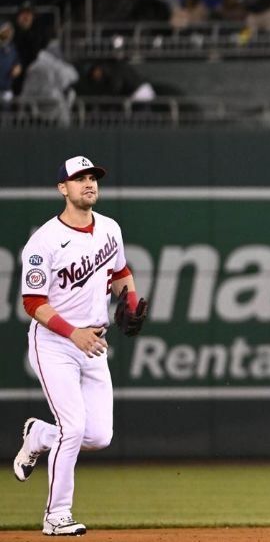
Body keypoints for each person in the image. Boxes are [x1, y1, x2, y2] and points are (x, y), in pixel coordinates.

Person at [13, 155, 148, 535]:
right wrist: (73, 333)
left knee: (98, 436)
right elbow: (33, 302)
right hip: (56, 343)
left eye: (92, 177)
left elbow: (120, 273)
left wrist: (133, 302)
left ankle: (39, 435)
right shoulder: (44, 242)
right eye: (79, 178)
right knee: (73, 427)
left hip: (94, 344)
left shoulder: (109, 228)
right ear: (63, 189)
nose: (89, 183)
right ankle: (56, 516)